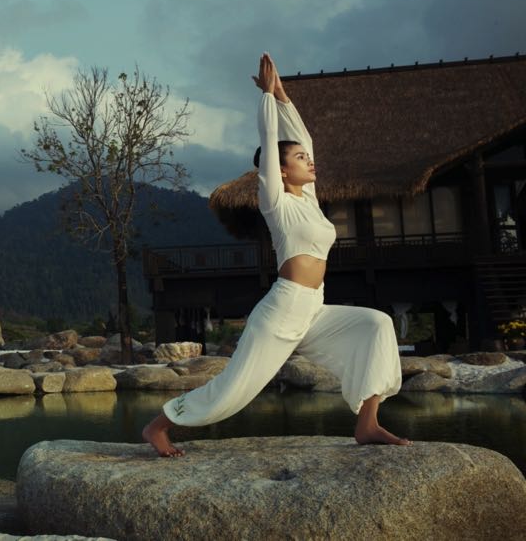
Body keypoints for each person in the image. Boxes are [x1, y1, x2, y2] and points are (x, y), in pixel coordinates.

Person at [142, 52, 410, 457]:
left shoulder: (309, 201)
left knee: (377, 325)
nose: (309, 160)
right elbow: (271, 143)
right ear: (281, 170)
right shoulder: (276, 202)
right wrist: (266, 98)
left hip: (313, 309)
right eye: (300, 158)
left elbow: (306, 139)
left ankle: (367, 423)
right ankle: (159, 424)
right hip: (282, 311)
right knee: (234, 390)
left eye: (306, 157)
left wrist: (283, 96)